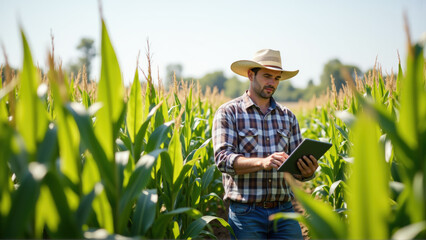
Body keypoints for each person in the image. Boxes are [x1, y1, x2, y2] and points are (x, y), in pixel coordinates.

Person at [212, 49, 318, 239]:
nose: (272, 83)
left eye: (277, 78)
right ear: (250, 75)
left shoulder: (288, 117)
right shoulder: (228, 112)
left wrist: (306, 171)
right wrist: (263, 162)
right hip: (246, 213)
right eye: (267, 76)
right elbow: (222, 160)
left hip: (285, 211)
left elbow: (296, 166)